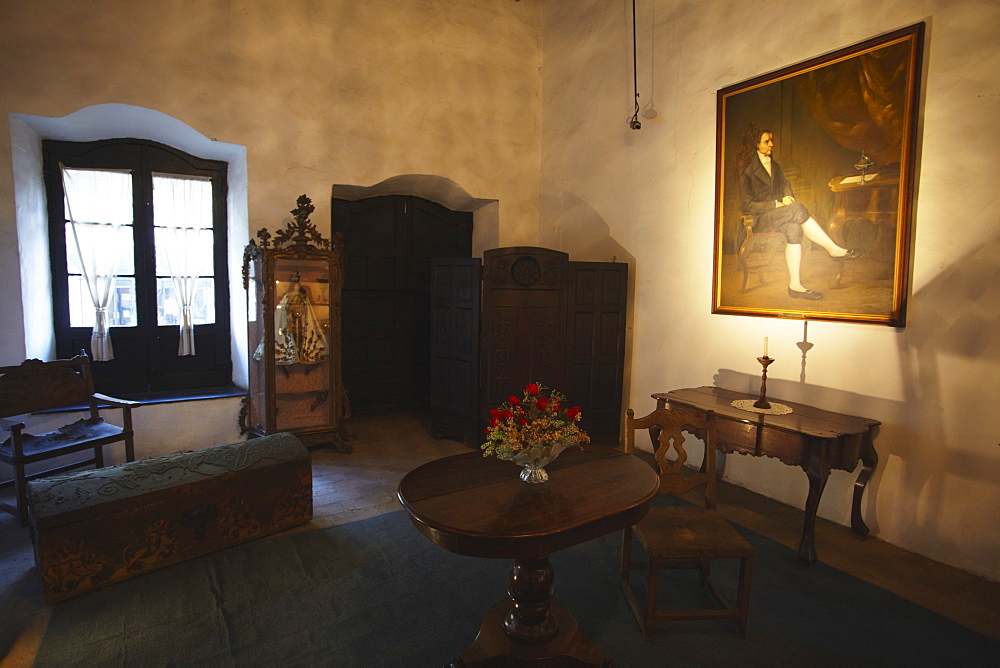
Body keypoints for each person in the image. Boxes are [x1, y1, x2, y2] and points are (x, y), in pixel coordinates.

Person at [738, 127, 862, 300]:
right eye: (766, 141)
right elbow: (746, 205)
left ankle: (795, 286)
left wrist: (788, 196)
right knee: (799, 209)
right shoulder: (747, 174)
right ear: (757, 145)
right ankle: (833, 250)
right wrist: (775, 204)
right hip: (761, 220)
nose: (771, 144)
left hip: (782, 216)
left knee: (795, 229)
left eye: (771, 140)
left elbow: (786, 186)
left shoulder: (775, 166)